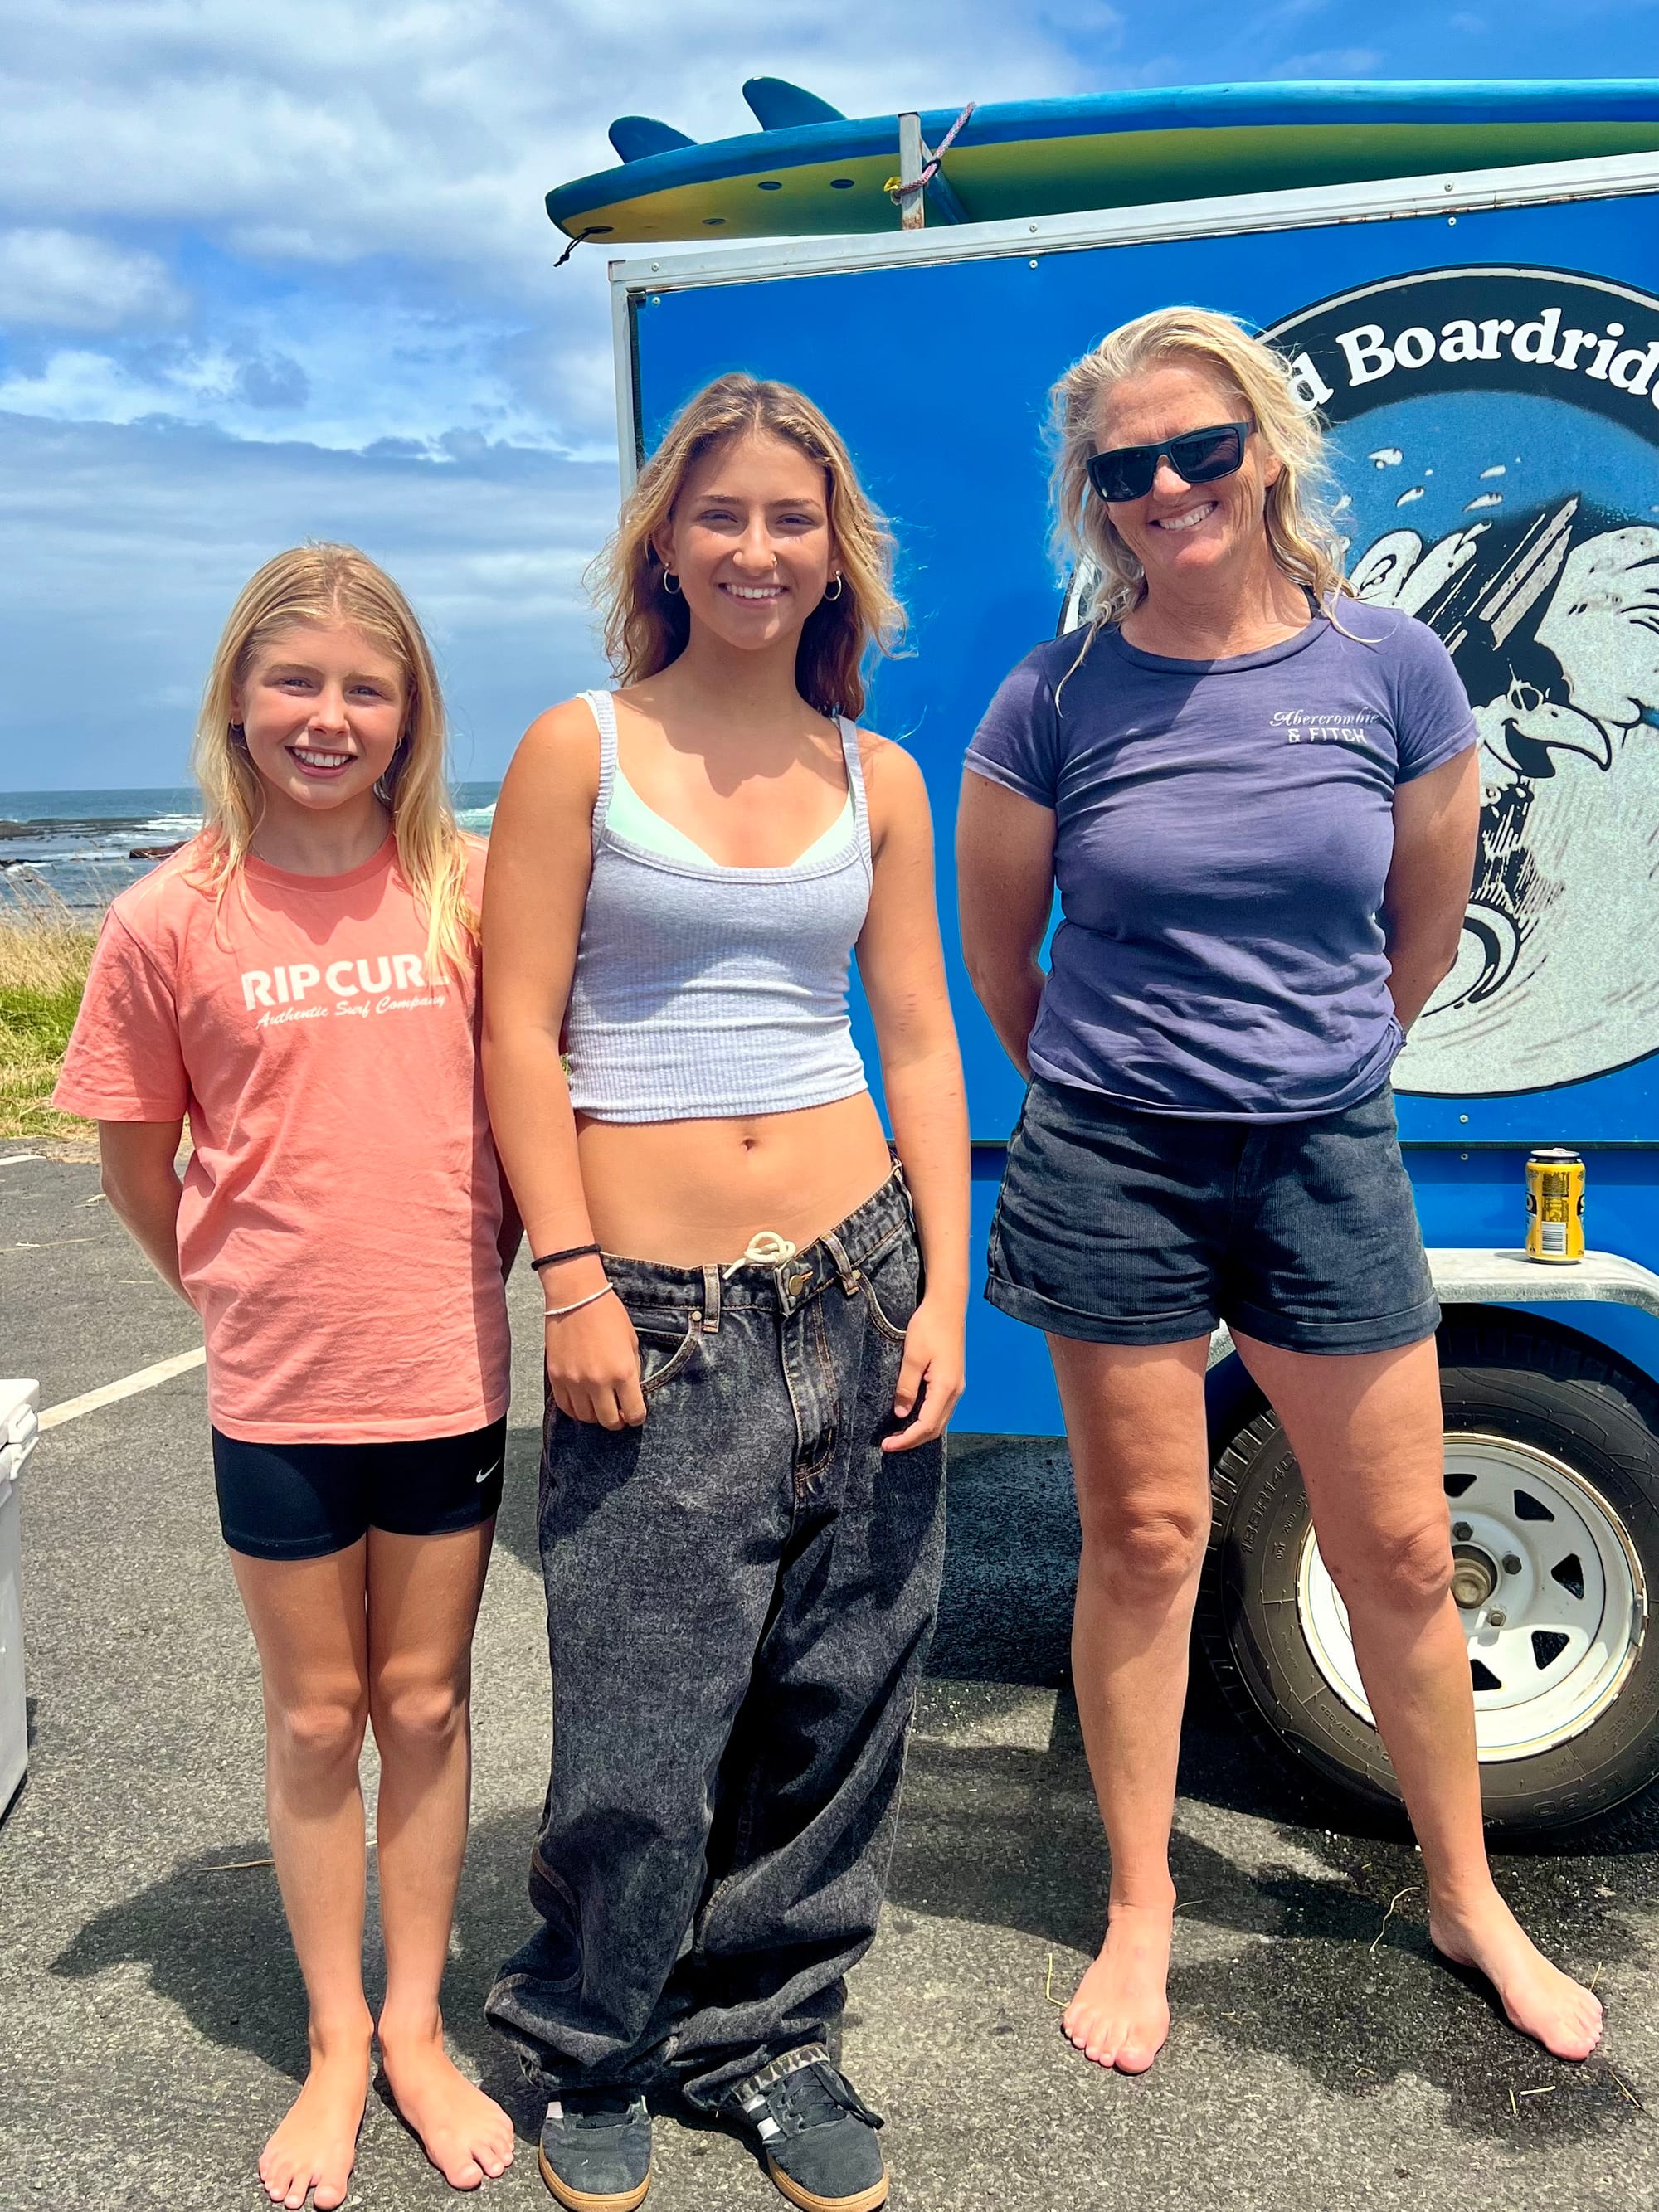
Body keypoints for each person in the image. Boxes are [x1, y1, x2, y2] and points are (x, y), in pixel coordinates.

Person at [956, 308, 1604, 2078]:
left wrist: (1300, 1066)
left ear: (1263, 451)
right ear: (1091, 498)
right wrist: (1123, 1093)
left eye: (1197, 450)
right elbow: (1001, 959)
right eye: (1124, 468)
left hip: (1322, 1151)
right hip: (1115, 1160)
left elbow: (1415, 941)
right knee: (1150, 1539)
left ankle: (1467, 1892)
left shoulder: (1390, 667)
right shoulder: (1057, 695)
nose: (1166, 488)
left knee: (1398, 1543)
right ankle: (1141, 1900)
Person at [481, 373, 968, 2212]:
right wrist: (576, 1283)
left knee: (844, 1688)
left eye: (791, 518)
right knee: (641, 1703)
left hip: (859, 1270)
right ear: (663, 542)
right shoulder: (579, 746)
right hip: (658, 1305)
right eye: (722, 516)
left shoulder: (877, 771)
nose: (757, 549)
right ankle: (590, 2036)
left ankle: (765, 2030)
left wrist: (942, 1294)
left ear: (834, 549)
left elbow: (917, 1041)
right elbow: (517, 1032)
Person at [54, 545, 518, 2210]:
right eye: (298, 681)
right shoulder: (168, 912)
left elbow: (532, 1101)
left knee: (427, 1700)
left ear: (410, 717)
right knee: (321, 1710)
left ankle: (416, 2020)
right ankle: (335, 2035)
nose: (329, 715)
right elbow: (134, 1156)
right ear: (239, 699)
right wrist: (240, 1292)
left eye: (366, 687)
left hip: (449, 1368)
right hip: (278, 1392)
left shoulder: (467, 890)